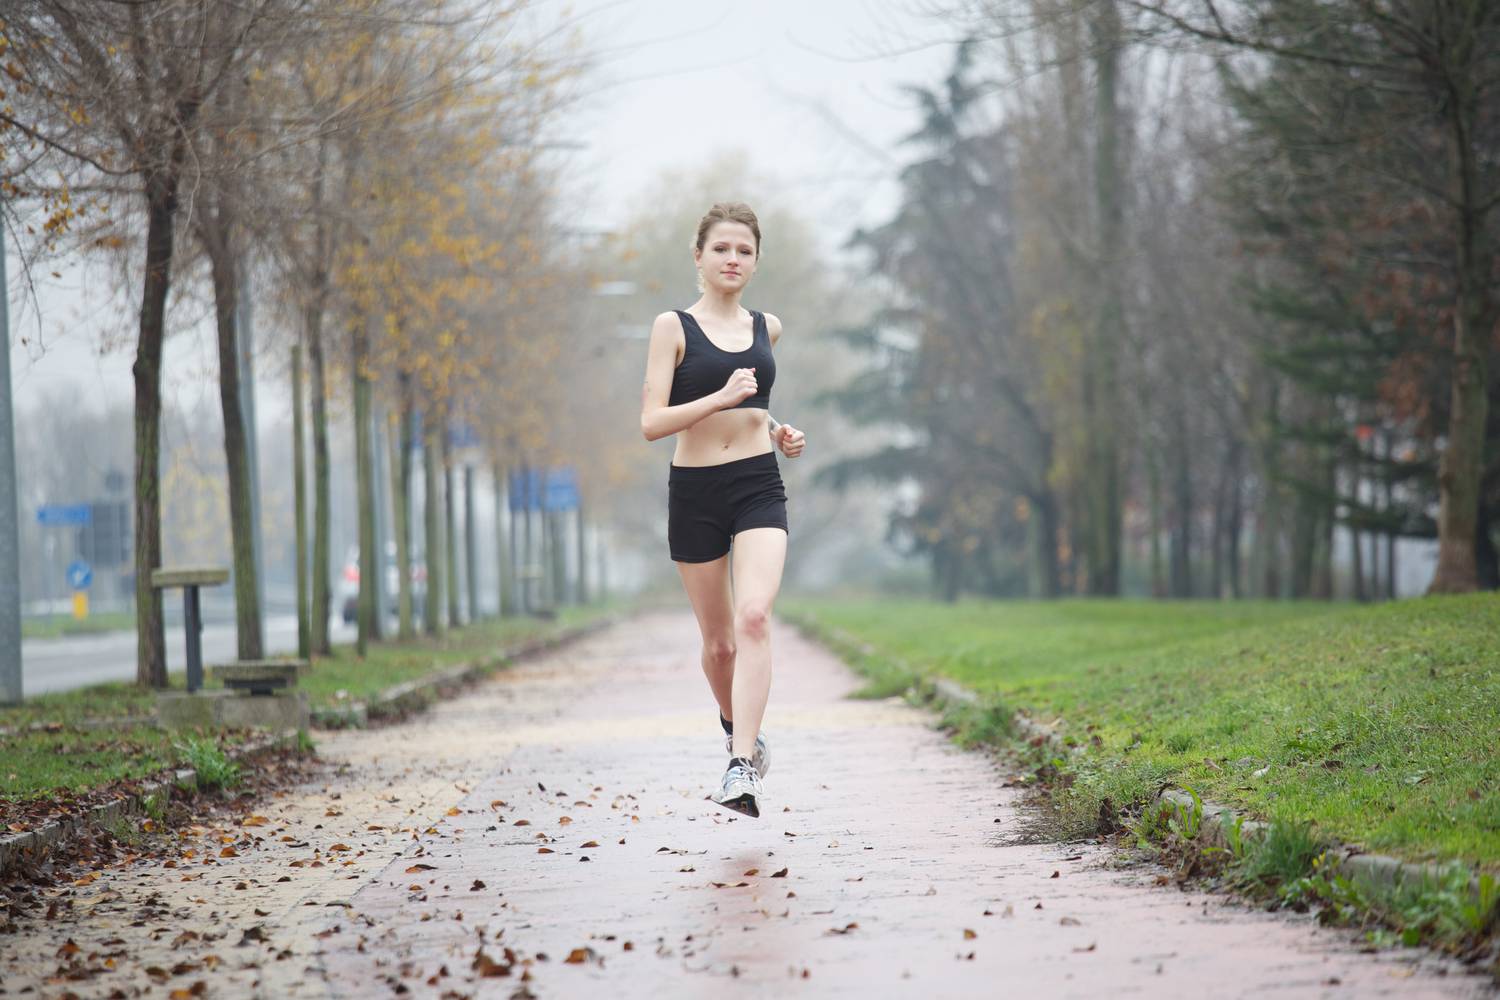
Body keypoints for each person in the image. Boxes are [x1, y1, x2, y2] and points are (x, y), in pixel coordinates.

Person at [639, 202, 806, 818]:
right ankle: (741, 731)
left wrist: (781, 431)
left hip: (758, 482)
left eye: (745, 251)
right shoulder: (673, 327)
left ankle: (740, 768)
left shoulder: (769, 327)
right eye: (722, 249)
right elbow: (652, 422)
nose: (733, 259)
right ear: (699, 256)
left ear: (756, 261)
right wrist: (719, 397)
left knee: (755, 616)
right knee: (719, 645)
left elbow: (757, 405)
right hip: (697, 491)